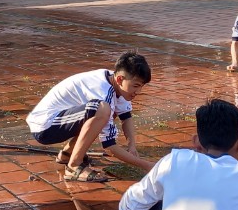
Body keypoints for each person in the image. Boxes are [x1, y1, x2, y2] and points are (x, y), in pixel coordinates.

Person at [26, 51, 155, 184]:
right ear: (120, 79)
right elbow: (109, 146)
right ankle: (74, 166)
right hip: (45, 126)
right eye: (136, 86)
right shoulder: (103, 93)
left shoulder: (115, 80)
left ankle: (68, 154)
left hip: (60, 118)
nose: (138, 92)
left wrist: (132, 146)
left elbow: (126, 116)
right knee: (102, 110)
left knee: (103, 112)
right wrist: (147, 165)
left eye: (141, 86)